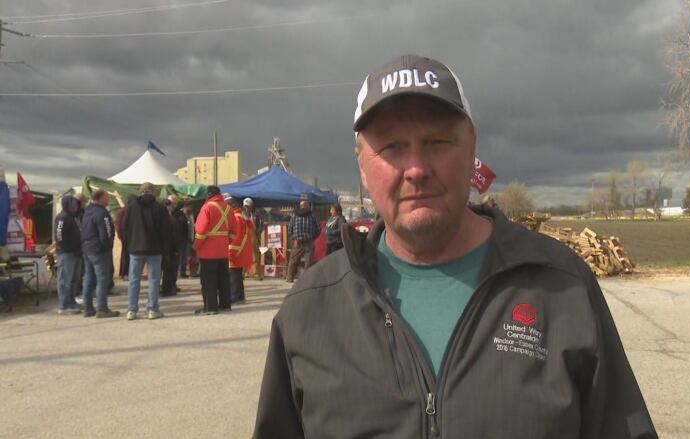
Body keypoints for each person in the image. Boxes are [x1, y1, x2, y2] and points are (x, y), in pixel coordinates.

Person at [253, 55, 657, 439]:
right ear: (361, 162)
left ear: (472, 149)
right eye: (391, 147)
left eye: (438, 141)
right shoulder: (311, 309)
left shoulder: (561, 288)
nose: (416, 169)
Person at [121, 182, 169, 320]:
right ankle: (152, 309)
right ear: (153, 192)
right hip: (155, 249)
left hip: (136, 248)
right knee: (154, 280)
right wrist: (165, 247)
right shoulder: (160, 208)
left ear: (140, 192)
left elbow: (124, 227)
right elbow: (166, 230)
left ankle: (132, 310)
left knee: (134, 280)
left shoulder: (131, 207)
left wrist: (128, 243)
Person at [192, 186, 237, 315]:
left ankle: (210, 307)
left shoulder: (207, 207)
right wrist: (227, 242)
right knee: (223, 279)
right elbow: (234, 231)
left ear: (209, 194)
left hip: (207, 251)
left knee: (208, 281)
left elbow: (201, 231)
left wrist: (195, 246)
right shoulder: (228, 208)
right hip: (223, 250)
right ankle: (225, 305)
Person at [79, 190, 121, 318]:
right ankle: (102, 308)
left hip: (86, 248)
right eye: (107, 197)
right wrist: (108, 246)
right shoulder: (102, 213)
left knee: (88, 278)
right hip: (99, 250)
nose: (108, 200)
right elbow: (106, 233)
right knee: (102, 279)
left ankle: (88, 308)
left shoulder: (86, 212)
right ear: (101, 198)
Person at [54, 195, 82, 315]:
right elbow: (59, 235)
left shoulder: (71, 217)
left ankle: (70, 301)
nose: (75, 206)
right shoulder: (63, 217)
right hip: (66, 253)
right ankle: (64, 305)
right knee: (65, 280)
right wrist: (65, 248)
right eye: (73, 204)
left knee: (72, 280)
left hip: (74, 252)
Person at [284, 199, 320, 283]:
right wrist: (312, 237)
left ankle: (290, 278)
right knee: (309, 262)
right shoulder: (312, 216)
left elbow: (289, 229)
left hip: (298, 242)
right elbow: (318, 229)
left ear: (301, 206)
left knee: (293, 260)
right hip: (309, 241)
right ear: (307, 206)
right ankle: (307, 280)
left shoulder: (294, 215)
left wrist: (294, 238)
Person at [227, 195, 253, 304]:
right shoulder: (241, 216)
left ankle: (236, 295)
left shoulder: (236, 217)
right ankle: (239, 295)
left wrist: (231, 252)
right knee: (237, 274)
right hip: (241, 250)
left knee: (234, 275)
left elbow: (236, 237)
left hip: (236, 250)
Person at [161, 195, 185, 297]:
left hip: (164, 248)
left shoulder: (162, 219)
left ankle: (168, 288)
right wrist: (176, 248)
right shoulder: (172, 220)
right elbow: (176, 236)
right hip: (170, 249)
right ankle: (168, 289)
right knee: (170, 270)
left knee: (168, 270)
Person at [243, 198, 264, 280]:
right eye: (245, 206)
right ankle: (243, 273)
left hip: (254, 235)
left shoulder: (257, 213)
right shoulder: (242, 213)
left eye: (248, 206)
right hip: (244, 236)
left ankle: (256, 274)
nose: (246, 208)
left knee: (255, 255)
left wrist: (258, 232)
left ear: (252, 205)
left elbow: (261, 224)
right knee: (243, 255)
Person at [179, 202, 195, 278]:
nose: (191, 209)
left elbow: (192, 228)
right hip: (182, 239)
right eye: (190, 207)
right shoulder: (180, 214)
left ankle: (183, 271)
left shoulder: (191, 215)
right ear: (185, 207)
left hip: (189, 238)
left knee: (186, 256)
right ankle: (182, 271)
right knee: (182, 256)